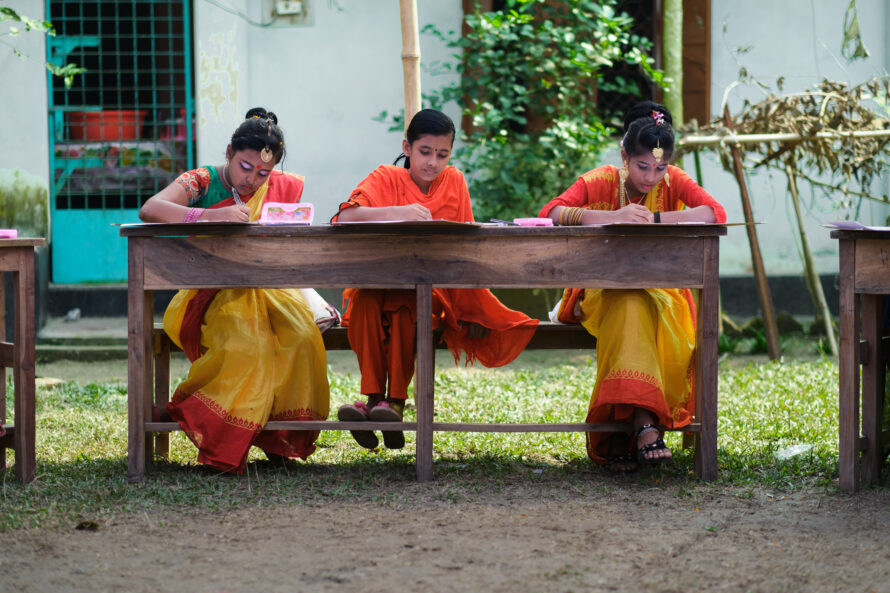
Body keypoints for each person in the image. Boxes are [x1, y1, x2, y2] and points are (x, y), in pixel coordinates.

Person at [331, 108, 539, 450]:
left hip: (432, 292)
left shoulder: (454, 181)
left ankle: (393, 402)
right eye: (424, 152)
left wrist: (473, 306)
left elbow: (467, 245)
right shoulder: (385, 177)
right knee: (365, 301)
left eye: (442, 154)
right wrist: (401, 212)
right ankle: (372, 399)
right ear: (407, 147)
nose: (433, 162)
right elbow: (345, 216)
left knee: (407, 304)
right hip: (376, 283)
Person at [139, 107, 330, 474]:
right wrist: (208, 216)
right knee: (247, 342)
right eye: (245, 167)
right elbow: (150, 209)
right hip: (208, 295)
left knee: (302, 338)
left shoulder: (280, 187)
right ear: (229, 152)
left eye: (264, 173)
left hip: (271, 290)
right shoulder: (203, 180)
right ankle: (206, 423)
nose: (253, 181)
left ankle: (281, 440)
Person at [539, 101, 727, 472]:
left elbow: (714, 213)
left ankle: (627, 430)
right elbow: (551, 213)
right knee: (628, 303)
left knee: (639, 306)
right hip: (601, 290)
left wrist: (655, 218)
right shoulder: (600, 180)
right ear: (624, 156)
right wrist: (611, 217)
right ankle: (644, 425)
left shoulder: (674, 180)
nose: (651, 177)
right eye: (642, 166)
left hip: (665, 294)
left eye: (659, 167)